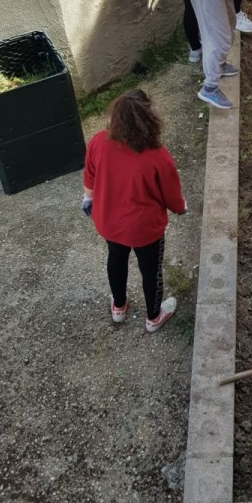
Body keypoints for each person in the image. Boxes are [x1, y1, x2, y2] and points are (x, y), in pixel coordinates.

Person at [82, 89, 187, 333]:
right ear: (149, 119)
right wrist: (180, 208)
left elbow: (89, 176)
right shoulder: (158, 156)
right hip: (145, 229)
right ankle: (154, 317)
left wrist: (88, 200)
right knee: (151, 271)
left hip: (110, 223)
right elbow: (172, 196)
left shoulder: (98, 141)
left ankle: (118, 307)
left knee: (116, 259)